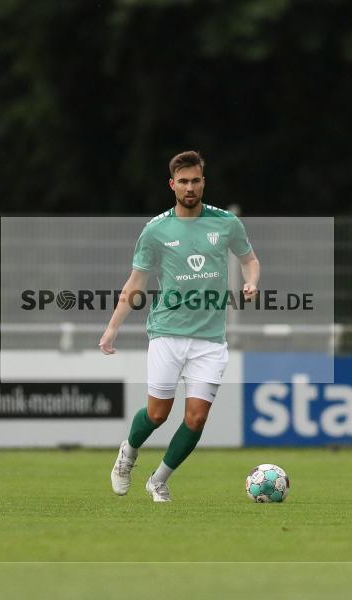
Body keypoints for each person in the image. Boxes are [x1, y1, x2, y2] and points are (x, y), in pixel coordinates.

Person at [100, 151, 260, 502]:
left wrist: (251, 282)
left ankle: (159, 480)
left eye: (196, 180)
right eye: (183, 182)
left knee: (197, 418)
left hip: (210, 340)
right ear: (172, 185)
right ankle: (127, 454)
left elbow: (249, 259)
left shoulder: (226, 223)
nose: (190, 187)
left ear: (204, 182)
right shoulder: (156, 230)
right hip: (167, 334)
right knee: (158, 414)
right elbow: (135, 284)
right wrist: (112, 328)